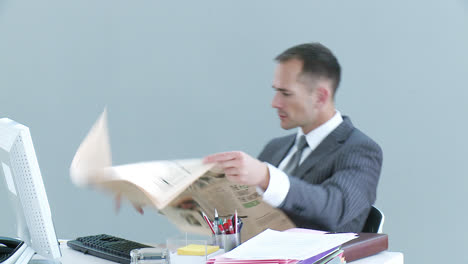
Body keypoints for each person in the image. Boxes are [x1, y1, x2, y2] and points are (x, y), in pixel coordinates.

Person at [203, 42, 383, 232]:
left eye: (286, 93)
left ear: (320, 97)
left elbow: (334, 210)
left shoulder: (361, 150)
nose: (275, 103)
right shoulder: (275, 148)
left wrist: (266, 177)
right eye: (276, 91)